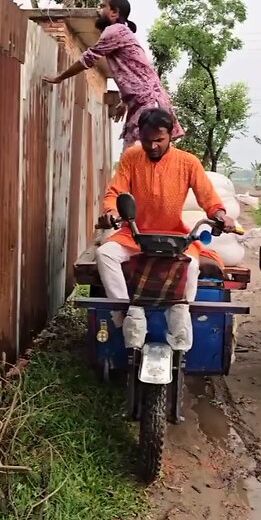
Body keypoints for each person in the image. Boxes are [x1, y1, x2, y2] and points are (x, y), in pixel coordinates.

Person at [96, 108, 236, 352]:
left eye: (159, 140)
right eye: (147, 140)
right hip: (136, 234)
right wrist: (111, 212)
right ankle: (126, 312)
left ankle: (179, 324)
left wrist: (221, 215)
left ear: (171, 135)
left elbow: (209, 198)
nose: (152, 146)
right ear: (140, 136)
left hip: (176, 237)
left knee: (191, 267)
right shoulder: (131, 157)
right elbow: (116, 192)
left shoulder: (188, 162)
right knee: (104, 254)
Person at [43, 0, 184, 151]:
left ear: (114, 12)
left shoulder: (115, 31)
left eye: (103, 6)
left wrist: (60, 77)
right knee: (138, 154)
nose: (99, 10)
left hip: (148, 103)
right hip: (145, 102)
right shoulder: (123, 33)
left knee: (139, 154)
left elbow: (87, 59)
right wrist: (125, 101)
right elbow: (136, 71)